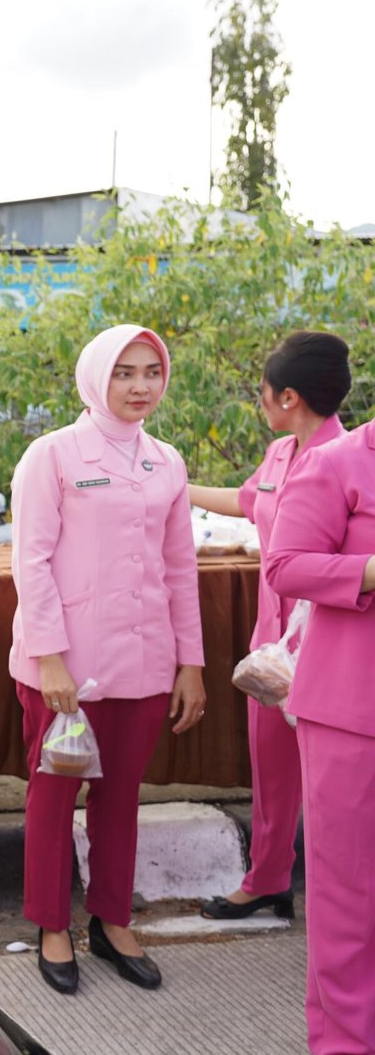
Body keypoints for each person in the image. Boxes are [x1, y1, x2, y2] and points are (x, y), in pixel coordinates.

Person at [9, 323, 206, 995]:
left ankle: (112, 919)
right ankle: (52, 924)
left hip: (147, 662)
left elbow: (181, 567)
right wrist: (50, 658)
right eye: (126, 372)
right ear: (97, 376)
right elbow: (29, 559)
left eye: (152, 371)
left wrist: (191, 663)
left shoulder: (167, 461)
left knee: (120, 797)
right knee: (53, 794)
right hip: (66, 667)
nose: (141, 385)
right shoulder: (54, 454)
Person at [186, 332, 352, 921]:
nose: (259, 401)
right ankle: (268, 879)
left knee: (335, 783)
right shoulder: (281, 455)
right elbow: (246, 498)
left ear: (286, 396)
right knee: (272, 771)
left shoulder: (350, 460)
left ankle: (342, 901)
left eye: (261, 392)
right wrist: (175, 487)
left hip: (329, 650)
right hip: (271, 651)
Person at [263, 407, 375, 1055]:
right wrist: (366, 570)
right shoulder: (337, 462)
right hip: (350, 713)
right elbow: (285, 565)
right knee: (349, 903)